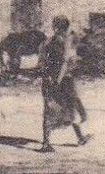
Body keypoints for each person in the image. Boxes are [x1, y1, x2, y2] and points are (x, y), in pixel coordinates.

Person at [37, 16, 89, 152]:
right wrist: (58, 81)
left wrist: (48, 77)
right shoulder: (64, 42)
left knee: (52, 108)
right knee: (66, 108)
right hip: (62, 80)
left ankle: (48, 142)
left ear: (55, 27)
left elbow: (42, 62)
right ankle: (47, 143)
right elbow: (64, 62)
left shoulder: (48, 42)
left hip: (51, 79)